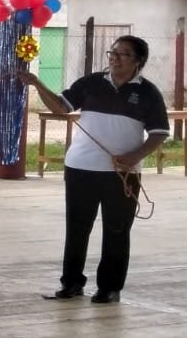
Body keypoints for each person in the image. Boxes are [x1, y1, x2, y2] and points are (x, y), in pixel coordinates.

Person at [20, 35, 169, 304]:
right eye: (113, 52)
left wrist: (135, 156)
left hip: (122, 174)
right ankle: (71, 283)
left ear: (138, 61)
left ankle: (109, 288)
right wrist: (37, 84)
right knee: (77, 228)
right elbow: (61, 107)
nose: (115, 58)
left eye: (123, 54)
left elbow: (159, 133)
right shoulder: (91, 83)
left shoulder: (149, 93)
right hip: (81, 167)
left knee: (117, 230)